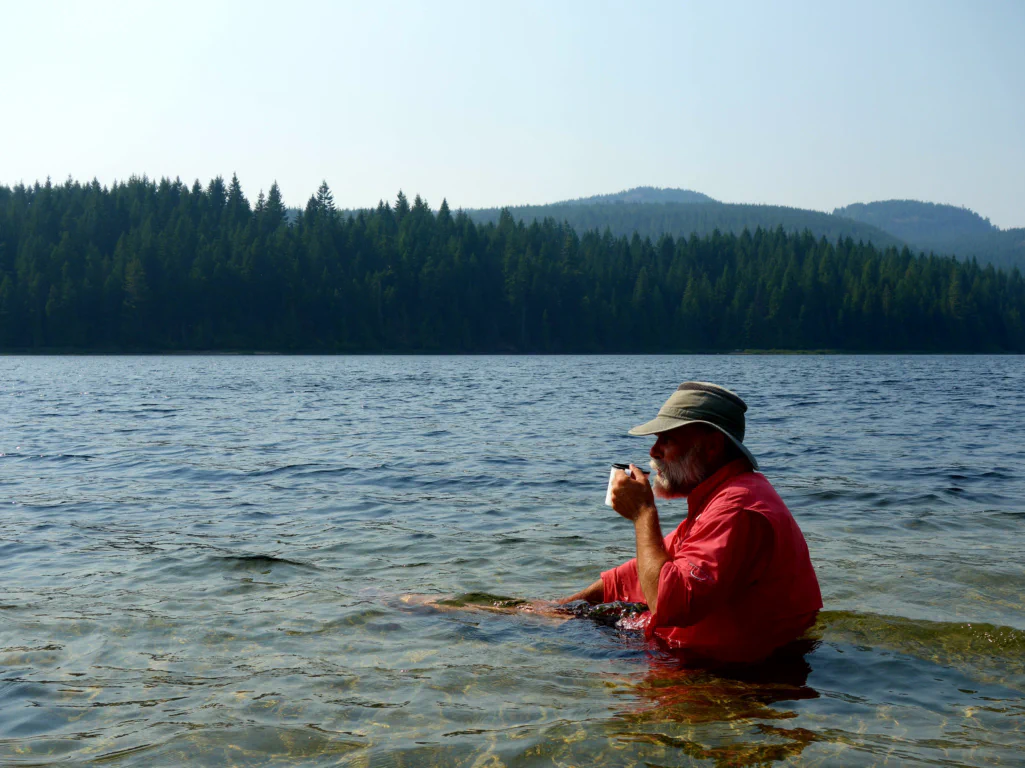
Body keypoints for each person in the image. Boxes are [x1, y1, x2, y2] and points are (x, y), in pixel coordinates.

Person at [558, 381, 822, 663]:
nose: (653, 451)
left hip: (742, 681)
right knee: (562, 623)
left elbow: (671, 603)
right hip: (720, 667)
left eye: (667, 440)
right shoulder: (725, 495)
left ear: (710, 447)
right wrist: (561, 607)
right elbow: (641, 572)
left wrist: (643, 513)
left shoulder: (738, 509)